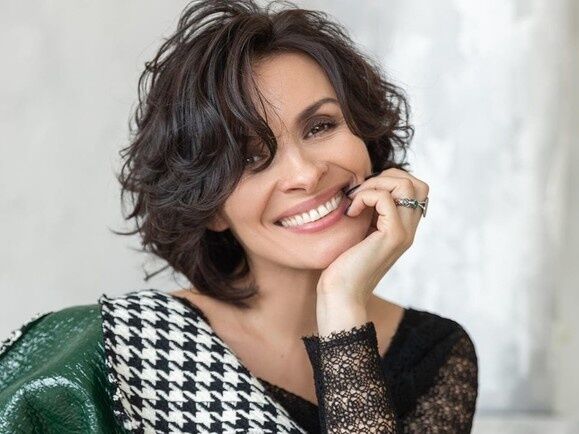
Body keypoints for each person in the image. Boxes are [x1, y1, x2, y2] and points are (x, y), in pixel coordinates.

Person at [0, 0, 478, 433]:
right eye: (251, 158)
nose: (305, 174)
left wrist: (342, 308)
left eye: (320, 126)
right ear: (209, 207)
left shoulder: (435, 353)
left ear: (366, 137)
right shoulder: (118, 353)